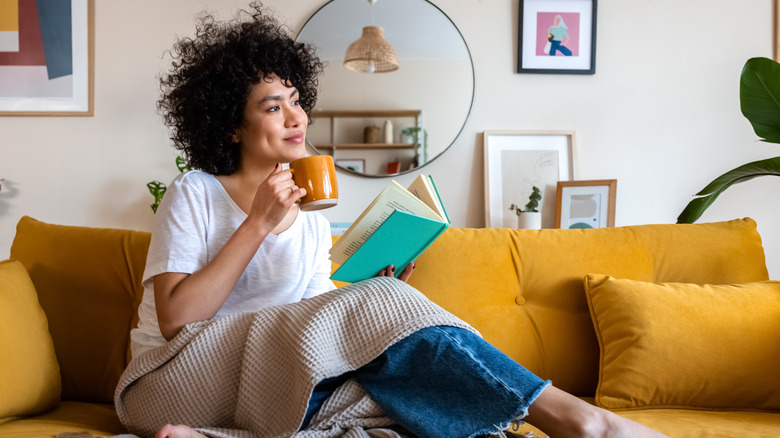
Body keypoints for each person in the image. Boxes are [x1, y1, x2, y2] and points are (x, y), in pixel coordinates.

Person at [119, 3, 669, 438]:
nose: (295, 118)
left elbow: (306, 328)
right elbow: (176, 320)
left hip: (258, 383)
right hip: (170, 380)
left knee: (400, 391)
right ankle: (581, 420)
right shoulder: (196, 192)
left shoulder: (309, 214)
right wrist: (258, 224)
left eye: (295, 100)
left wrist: (371, 299)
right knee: (393, 364)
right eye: (271, 107)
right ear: (231, 126)